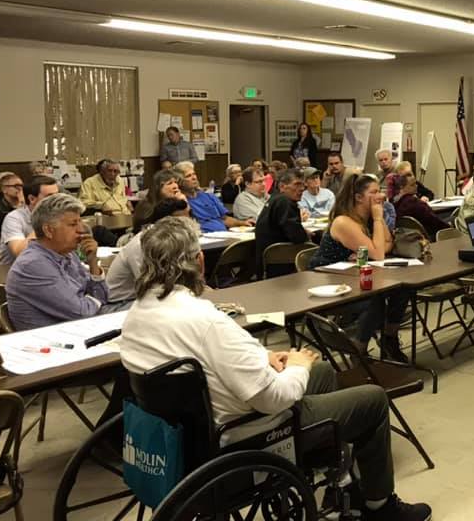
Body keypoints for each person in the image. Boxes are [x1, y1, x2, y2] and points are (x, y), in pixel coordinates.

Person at [121, 216, 431, 521]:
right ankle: (380, 506)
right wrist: (295, 365)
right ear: (199, 262)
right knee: (372, 399)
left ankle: (342, 480)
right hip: (247, 434)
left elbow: (210, 359)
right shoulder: (205, 320)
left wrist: (263, 356)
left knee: (322, 372)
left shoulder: (137, 315)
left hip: (185, 434)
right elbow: (274, 398)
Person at [309, 174, 410, 362]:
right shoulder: (344, 222)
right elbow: (379, 253)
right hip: (330, 281)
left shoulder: (368, 218)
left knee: (402, 289)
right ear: (358, 197)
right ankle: (358, 351)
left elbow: (388, 243)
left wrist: (375, 244)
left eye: (379, 190)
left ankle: (389, 338)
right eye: (373, 192)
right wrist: (379, 220)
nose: (380, 196)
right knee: (374, 301)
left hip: (356, 275)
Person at [5, 194, 109, 330]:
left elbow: (104, 296)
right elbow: (83, 313)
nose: (81, 230)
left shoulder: (68, 254)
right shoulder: (33, 265)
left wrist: (93, 262)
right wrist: (96, 300)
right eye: (73, 224)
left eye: (80, 222)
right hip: (50, 344)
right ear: (48, 230)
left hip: (80, 331)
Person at [105, 198, 190, 304]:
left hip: (144, 297)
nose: (188, 225)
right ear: (165, 222)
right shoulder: (141, 244)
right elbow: (148, 287)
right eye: (182, 221)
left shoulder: (168, 241)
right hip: (122, 302)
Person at [255, 168, 310, 277]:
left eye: (303, 185)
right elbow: (297, 237)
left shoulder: (275, 199)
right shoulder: (285, 202)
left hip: (267, 264)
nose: (302, 189)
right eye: (297, 184)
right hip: (280, 266)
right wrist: (305, 234)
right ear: (282, 186)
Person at [0, 174, 59, 266]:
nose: (57, 201)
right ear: (31, 199)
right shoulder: (14, 218)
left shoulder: (59, 216)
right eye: (50, 196)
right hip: (15, 272)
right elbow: (20, 252)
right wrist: (43, 222)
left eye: (57, 195)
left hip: (47, 268)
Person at [176, 161, 249, 233]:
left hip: (224, 235)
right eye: (188, 176)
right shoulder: (182, 202)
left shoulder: (209, 196)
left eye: (194, 174)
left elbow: (225, 219)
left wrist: (242, 223)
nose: (194, 177)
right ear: (180, 181)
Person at [391, 166, 449, 239]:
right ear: (402, 187)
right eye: (412, 185)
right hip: (430, 234)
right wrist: (450, 228)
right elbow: (434, 221)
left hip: (409, 237)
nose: (416, 186)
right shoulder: (414, 202)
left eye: (415, 184)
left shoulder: (396, 203)